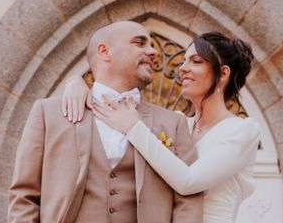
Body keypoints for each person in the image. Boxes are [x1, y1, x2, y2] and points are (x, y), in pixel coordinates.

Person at [8, 20, 203, 223]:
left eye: (153, 45)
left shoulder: (173, 124)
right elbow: (25, 195)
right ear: (104, 51)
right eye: (139, 43)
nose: (153, 52)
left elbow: (188, 202)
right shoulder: (48, 113)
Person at [63, 31, 260, 223]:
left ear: (223, 73)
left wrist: (134, 128)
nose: (183, 68)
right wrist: (77, 83)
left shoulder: (242, 131)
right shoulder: (177, 122)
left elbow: (188, 181)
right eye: (183, 60)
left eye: (196, 61)